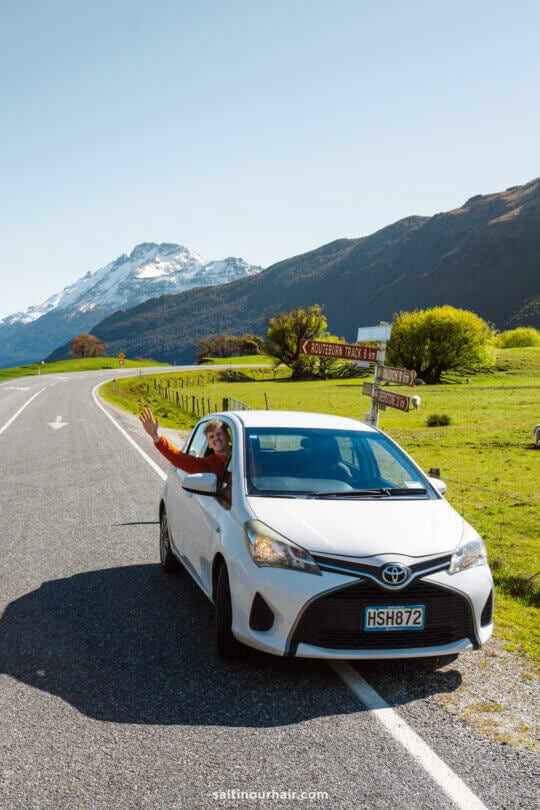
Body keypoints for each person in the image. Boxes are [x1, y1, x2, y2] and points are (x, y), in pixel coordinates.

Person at [139, 407, 230, 477]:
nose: (216, 438)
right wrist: (155, 435)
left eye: (219, 434)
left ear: (228, 437)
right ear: (209, 445)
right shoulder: (207, 465)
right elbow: (178, 458)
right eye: (211, 437)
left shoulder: (243, 453)